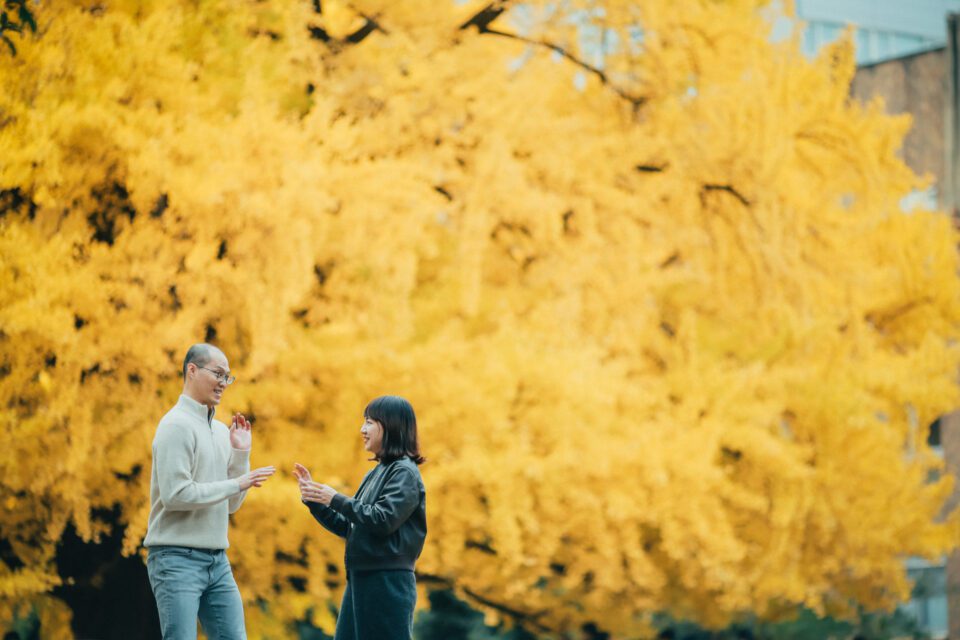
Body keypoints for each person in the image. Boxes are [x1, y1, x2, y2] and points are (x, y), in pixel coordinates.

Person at [144, 343, 276, 640]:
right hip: (175, 558)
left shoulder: (219, 431)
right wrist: (237, 482)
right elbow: (175, 495)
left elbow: (231, 505)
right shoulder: (175, 426)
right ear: (192, 370)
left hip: (217, 560)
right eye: (218, 373)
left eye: (228, 377)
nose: (223, 383)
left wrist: (241, 455)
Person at [295, 395, 427, 640]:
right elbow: (351, 526)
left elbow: (382, 520)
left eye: (369, 422)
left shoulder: (405, 472)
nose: (362, 430)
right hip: (362, 578)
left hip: (387, 582)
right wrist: (315, 500)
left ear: (390, 426)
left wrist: (335, 498)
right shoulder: (377, 472)